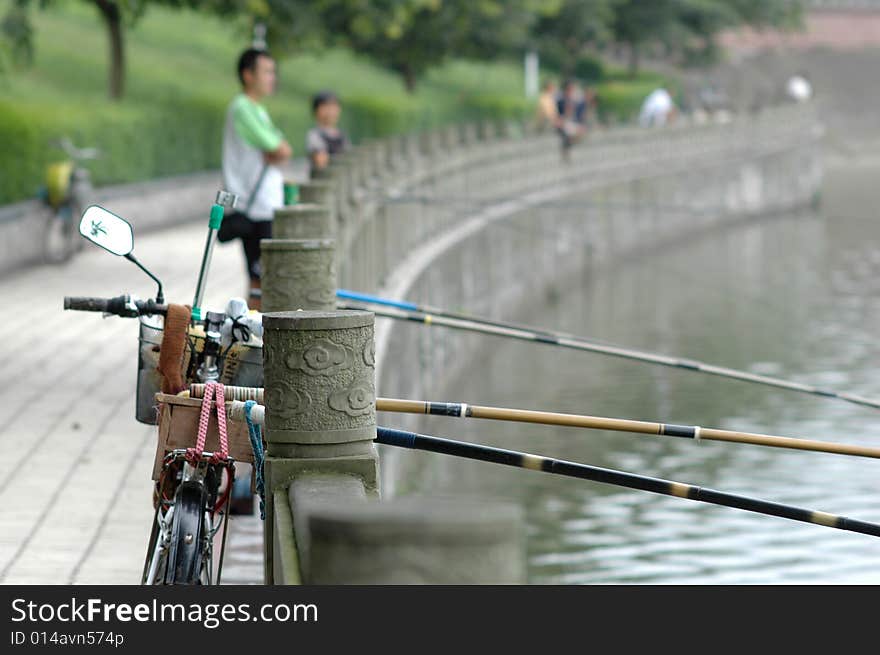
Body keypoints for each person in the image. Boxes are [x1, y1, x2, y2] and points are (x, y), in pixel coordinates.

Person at [220, 47, 292, 310]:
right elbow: (281, 149)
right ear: (247, 75)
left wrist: (276, 151)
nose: (272, 78)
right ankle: (251, 337)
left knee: (261, 278)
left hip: (263, 206)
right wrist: (275, 151)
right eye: (267, 72)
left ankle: (253, 334)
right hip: (255, 208)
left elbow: (281, 150)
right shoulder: (243, 108)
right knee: (259, 281)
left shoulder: (256, 109)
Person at [307, 91, 349, 174]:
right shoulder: (314, 135)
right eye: (326, 106)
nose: (330, 111)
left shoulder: (342, 135)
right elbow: (320, 161)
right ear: (316, 110)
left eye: (334, 106)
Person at [556, 79, 586, 161]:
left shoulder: (577, 100)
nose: (571, 91)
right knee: (568, 131)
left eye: (572, 89)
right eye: (569, 89)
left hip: (573, 123)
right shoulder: (560, 100)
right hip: (564, 123)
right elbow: (558, 115)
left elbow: (580, 116)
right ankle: (566, 150)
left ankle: (568, 147)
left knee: (580, 131)